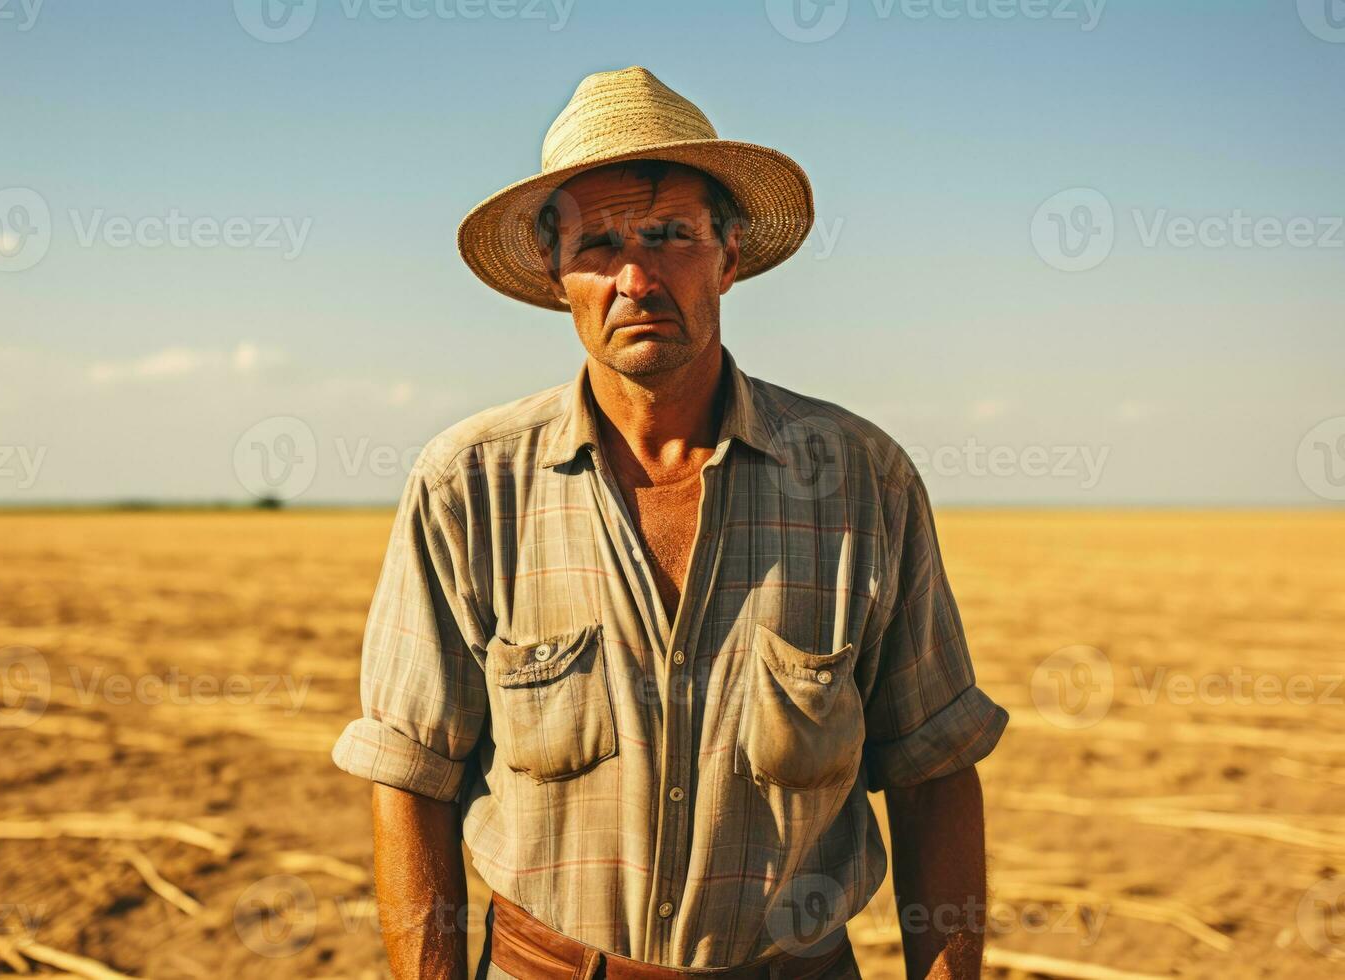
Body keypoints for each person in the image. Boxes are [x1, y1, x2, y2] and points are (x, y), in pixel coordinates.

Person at [333, 65, 1009, 980]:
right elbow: (413, 780)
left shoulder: (858, 480)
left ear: (728, 257)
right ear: (555, 271)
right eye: (599, 242)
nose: (635, 276)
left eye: (668, 236)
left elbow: (932, 770)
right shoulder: (470, 483)